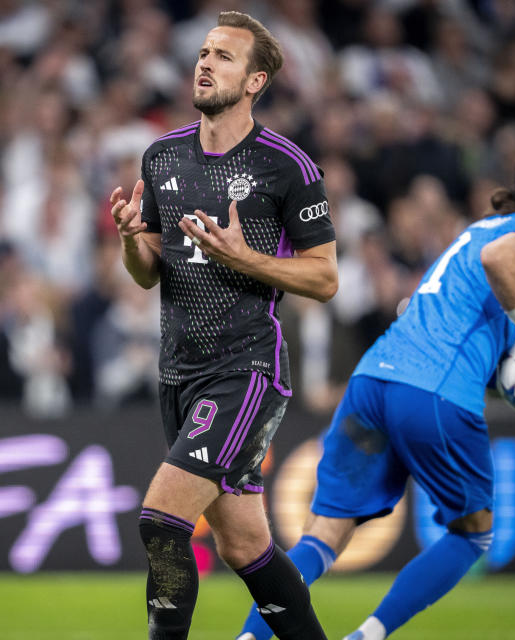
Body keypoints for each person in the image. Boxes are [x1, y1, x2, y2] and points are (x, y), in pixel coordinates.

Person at [236, 138, 515, 640]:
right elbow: (500, 261)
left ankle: (249, 638)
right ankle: (367, 637)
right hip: (434, 390)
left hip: (372, 379)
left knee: (325, 535)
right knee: (473, 535)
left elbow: (466, 303)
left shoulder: (479, 227)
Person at [109, 11, 338, 640]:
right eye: (204, 53)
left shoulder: (285, 165)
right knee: (246, 549)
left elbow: (324, 278)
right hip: (177, 372)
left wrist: (243, 257)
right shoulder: (161, 157)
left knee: (162, 519)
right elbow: (148, 273)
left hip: (246, 370)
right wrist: (132, 240)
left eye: (224, 57)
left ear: (256, 80)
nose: (205, 63)